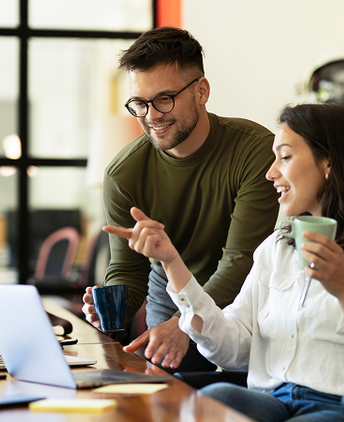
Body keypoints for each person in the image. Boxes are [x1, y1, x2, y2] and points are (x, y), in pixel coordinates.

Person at [104, 102, 344, 422]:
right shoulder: (278, 247)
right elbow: (233, 347)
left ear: (328, 162)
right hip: (275, 400)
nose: (270, 172)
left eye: (285, 157)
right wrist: (172, 262)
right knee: (214, 401)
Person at [81, 27, 280, 372]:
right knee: (172, 392)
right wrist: (109, 305)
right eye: (139, 103)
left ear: (201, 91)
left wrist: (186, 323)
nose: (151, 115)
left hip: (248, 290)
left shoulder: (255, 150)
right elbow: (128, 271)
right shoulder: (123, 174)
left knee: (237, 387)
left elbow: (240, 261)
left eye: (164, 99)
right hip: (171, 290)